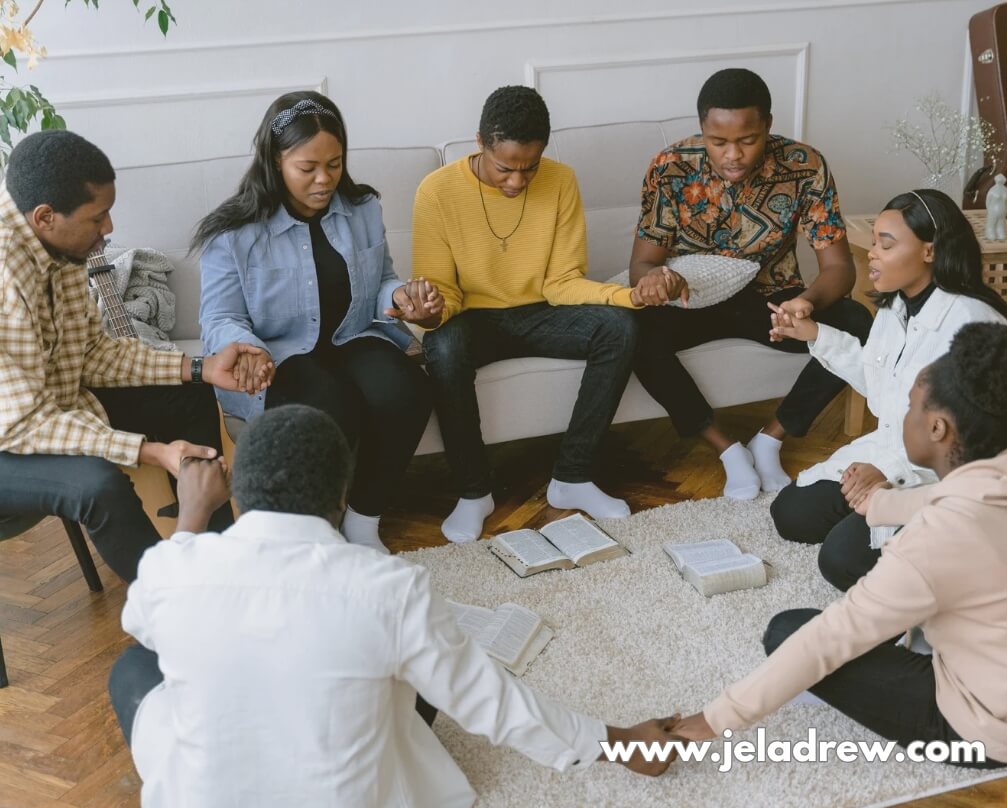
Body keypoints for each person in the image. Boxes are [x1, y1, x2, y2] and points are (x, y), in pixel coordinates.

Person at [108, 404, 681, 808]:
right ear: (340, 496)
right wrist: (624, 745)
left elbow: (143, 619)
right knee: (417, 673)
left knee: (134, 667)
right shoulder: (387, 587)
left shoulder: (173, 568)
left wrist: (191, 519)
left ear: (235, 489)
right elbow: (494, 704)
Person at [673, 323, 1007, 769]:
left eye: (909, 409)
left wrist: (709, 721)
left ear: (938, 428)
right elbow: (955, 498)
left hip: (988, 734)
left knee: (789, 633)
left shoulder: (934, 541)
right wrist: (880, 503)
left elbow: (834, 637)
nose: (902, 419)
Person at [0, 130, 265, 583]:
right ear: (45, 217)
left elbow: (92, 355)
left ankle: (213, 568)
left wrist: (199, 367)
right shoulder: (6, 275)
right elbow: (23, 421)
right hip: (10, 432)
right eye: (98, 217)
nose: (109, 229)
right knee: (98, 486)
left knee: (191, 395)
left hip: (45, 409)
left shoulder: (58, 246)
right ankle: (169, 609)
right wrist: (153, 452)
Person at [413, 85, 652, 543]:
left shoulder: (561, 181)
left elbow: (562, 281)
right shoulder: (437, 191)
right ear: (480, 141)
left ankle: (573, 477)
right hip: (472, 318)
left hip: (543, 309)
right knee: (443, 346)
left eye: (530, 167)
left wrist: (629, 297)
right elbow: (444, 294)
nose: (518, 182)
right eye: (505, 168)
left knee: (620, 327)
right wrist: (429, 314)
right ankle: (474, 491)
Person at [196, 91, 432, 552]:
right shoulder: (233, 232)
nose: (325, 180)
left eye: (336, 164)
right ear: (275, 161)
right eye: (308, 169)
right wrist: (246, 347)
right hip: (280, 350)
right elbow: (220, 317)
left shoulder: (363, 209)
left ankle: (363, 523)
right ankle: (318, 533)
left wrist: (400, 297)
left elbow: (382, 279)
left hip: (352, 335)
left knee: (408, 390)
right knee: (329, 405)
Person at [768, 189, 1007, 591]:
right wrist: (812, 332)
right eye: (874, 242)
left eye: (885, 245)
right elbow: (877, 381)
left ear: (930, 251)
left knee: (840, 560)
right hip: (897, 448)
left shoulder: (975, 324)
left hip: (961, 475)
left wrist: (887, 474)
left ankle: (951, 551)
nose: (872, 253)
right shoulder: (896, 309)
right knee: (791, 513)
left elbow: (971, 441)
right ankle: (870, 513)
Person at [630, 68, 873, 500]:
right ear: (702, 128)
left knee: (854, 320)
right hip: (694, 300)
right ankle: (727, 451)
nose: (733, 155)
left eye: (747, 140)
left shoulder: (805, 167)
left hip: (772, 304)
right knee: (632, 332)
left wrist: (805, 302)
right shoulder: (670, 167)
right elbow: (643, 264)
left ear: (768, 127)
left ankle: (770, 440)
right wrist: (657, 281)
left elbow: (839, 268)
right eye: (718, 142)